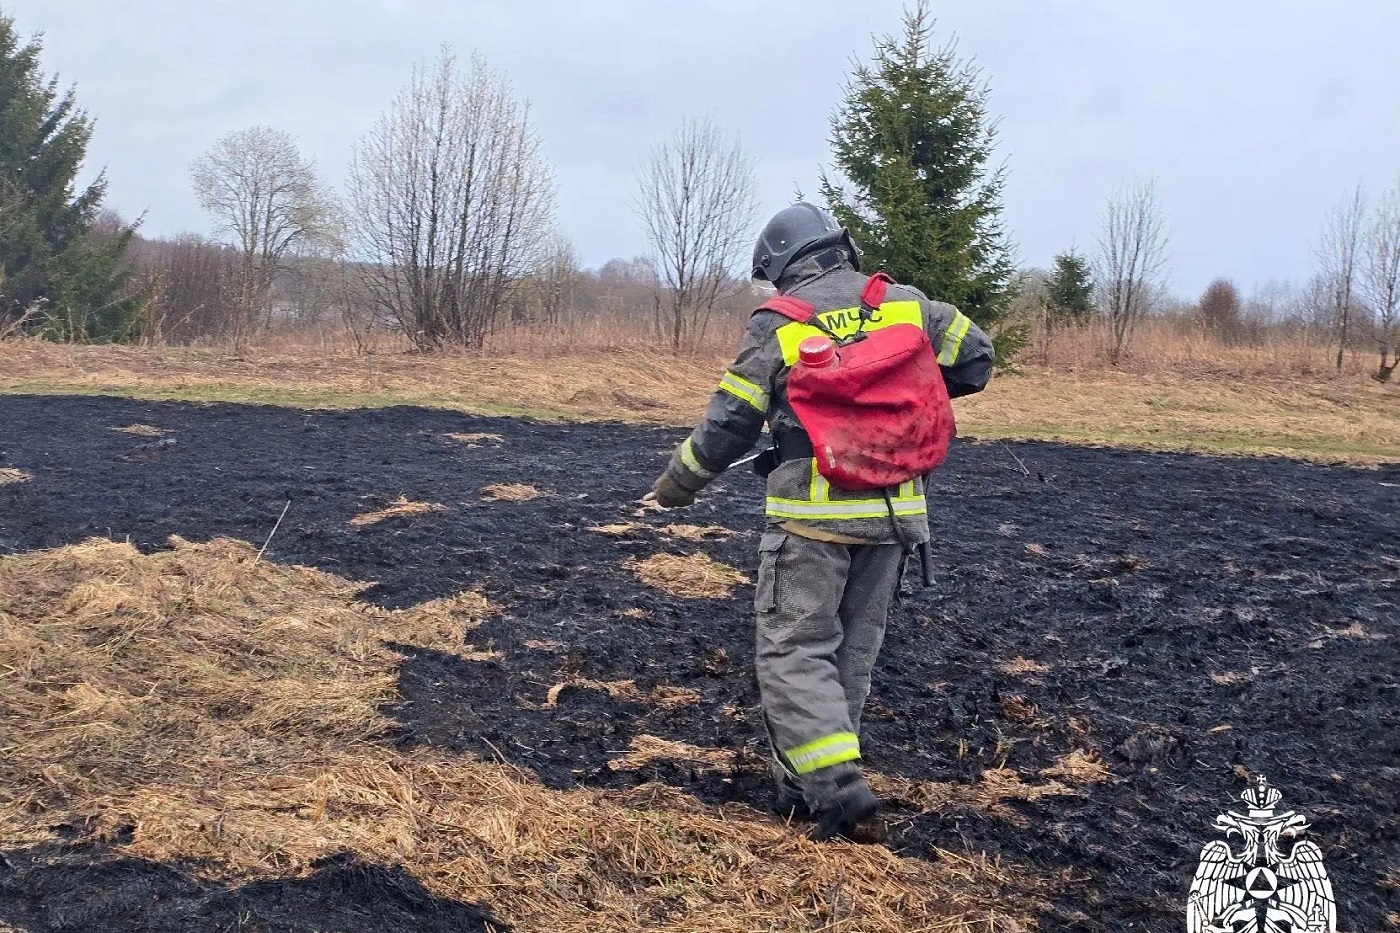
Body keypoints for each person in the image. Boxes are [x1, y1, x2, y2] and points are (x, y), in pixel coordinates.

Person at [650, 203, 994, 841]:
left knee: (794, 649)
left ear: (781, 268)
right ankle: (804, 786)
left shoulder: (780, 322)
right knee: (850, 654)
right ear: (841, 248)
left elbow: (731, 421)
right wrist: (898, 400)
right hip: (896, 516)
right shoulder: (906, 304)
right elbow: (976, 360)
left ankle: (837, 791)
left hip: (812, 517)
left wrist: (679, 482)